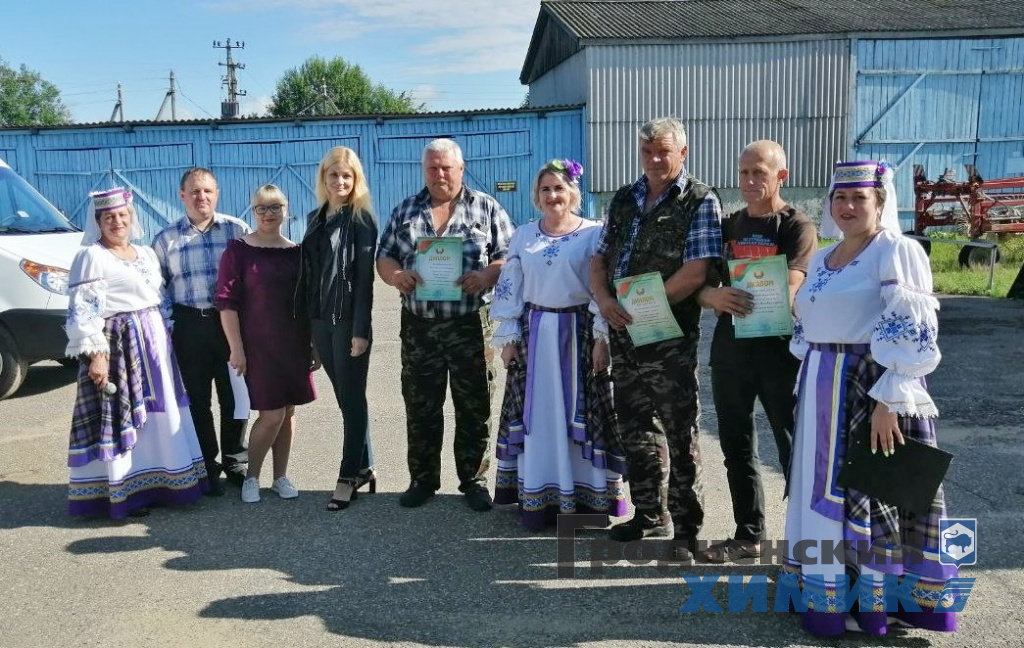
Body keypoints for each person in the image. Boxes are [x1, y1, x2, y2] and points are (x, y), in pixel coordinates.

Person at [783, 160, 957, 636]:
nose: (848, 206)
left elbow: (913, 327)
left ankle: (873, 605)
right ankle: (823, 594)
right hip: (821, 383)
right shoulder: (823, 257)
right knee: (818, 494)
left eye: (859, 198)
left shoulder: (895, 251)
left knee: (869, 491)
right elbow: (809, 326)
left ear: (881, 203)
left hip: (868, 389)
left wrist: (889, 402)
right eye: (840, 197)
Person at [590, 117, 723, 559]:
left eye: (663, 151)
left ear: (682, 153)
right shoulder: (625, 198)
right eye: (647, 151)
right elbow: (600, 257)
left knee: (680, 430)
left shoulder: (699, 200)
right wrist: (605, 299)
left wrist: (642, 304)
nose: (654, 159)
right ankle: (649, 513)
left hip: (667, 336)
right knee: (634, 427)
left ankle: (686, 528)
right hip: (623, 330)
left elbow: (697, 272)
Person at [376, 138, 515, 512]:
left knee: (475, 405)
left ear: (461, 168)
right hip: (419, 326)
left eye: (446, 167)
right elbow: (384, 256)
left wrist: (487, 274)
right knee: (421, 406)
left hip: (470, 325)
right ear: (424, 170)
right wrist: (396, 276)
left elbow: (509, 257)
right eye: (432, 168)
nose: (439, 174)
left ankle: (474, 480)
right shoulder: (406, 210)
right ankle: (423, 480)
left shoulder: (486, 208)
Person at [695, 141, 817, 563]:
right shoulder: (728, 226)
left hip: (780, 351)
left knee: (792, 444)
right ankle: (748, 535)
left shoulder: (796, 226)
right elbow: (702, 284)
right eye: (743, 172)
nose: (749, 181)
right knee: (735, 444)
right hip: (731, 351)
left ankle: (804, 538)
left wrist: (765, 293)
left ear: (780, 176)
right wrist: (714, 296)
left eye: (758, 173)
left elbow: (794, 281)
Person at [490, 159, 628, 530]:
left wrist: (602, 338)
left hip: (577, 334)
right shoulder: (523, 235)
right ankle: (540, 498)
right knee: (540, 419)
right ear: (537, 196)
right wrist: (507, 337)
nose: (553, 196)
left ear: (573, 194)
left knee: (580, 414)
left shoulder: (593, 234)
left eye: (560, 189)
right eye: (546, 189)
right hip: (535, 335)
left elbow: (603, 287)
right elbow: (510, 288)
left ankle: (587, 500)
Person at [65, 188, 208, 519]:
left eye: (123, 216)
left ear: (132, 218)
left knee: (162, 411)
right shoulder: (92, 257)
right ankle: (129, 491)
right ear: (98, 222)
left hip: (155, 343)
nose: (117, 222)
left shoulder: (144, 253)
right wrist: (96, 355)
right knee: (125, 416)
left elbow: (161, 297)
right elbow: (82, 310)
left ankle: (164, 484)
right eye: (109, 217)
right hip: (119, 345)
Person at [152, 168, 250, 496]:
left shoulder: (237, 231)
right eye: (194, 191)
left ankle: (236, 457)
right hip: (189, 324)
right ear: (182, 196)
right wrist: (167, 328)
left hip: (230, 325)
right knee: (197, 398)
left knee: (234, 395)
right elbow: (158, 287)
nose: (201, 197)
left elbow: (253, 278)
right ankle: (206, 463)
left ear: (217, 193)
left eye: (207, 191)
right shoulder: (165, 239)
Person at [215, 184, 316, 504]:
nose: (269, 214)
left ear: (286, 210)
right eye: (262, 208)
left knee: (287, 412)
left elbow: (309, 302)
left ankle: (280, 476)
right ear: (252, 211)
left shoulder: (297, 252)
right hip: (258, 345)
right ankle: (252, 477)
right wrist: (237, 348)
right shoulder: (239, 250)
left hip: (294, 343)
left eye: (275, 207)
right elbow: (227, 303)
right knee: (270, 414)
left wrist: (314, 345)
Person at [299, 147, 378, 511]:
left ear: (355, 179)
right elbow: (310, 273)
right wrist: (308, 332)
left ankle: (348, 476)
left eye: (347, 176)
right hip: (320, 323)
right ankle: (365, 467)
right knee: (346, 400)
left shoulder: (362, 221)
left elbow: (364, 283)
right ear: (324, 178)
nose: (340, 181)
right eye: (334, 175)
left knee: (352, 397)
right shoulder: (315, 218)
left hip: (348, 324)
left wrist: (361, 330)